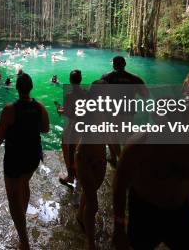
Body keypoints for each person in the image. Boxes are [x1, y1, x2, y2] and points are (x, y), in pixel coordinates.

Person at [112, 131, 189, 250]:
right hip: (145, 213)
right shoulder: (139, 143)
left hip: (179, 211)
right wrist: (119, 227)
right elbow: (119, 184)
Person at [0, 73, 50, 250]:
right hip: (32, 157)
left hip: (15, 159)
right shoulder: (39, 107)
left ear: (17, 88)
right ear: (31, 87)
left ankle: (24, 239)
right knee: (24, 183)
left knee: (13, 197)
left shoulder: (9, 109)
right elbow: (45, 128)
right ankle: (22, 218)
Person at [75, 79, 109, 250]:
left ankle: (81, 216)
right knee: (93, 204)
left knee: (90, 194)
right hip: (85, 158)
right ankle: (90, 243)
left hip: (100, 158)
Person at [101, 56, 149, 166]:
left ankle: (116, 157)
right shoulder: (134, 78)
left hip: (112, 111)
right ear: (125, 64)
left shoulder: (106, 78)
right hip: (128, 111)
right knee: (126, 135)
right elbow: (145, 94)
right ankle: (126, 158)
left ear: (113, 64)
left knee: (111, 134)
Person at [55, 69, 84, 187]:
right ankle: (78, 173)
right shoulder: (86, 93)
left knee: (67, 147)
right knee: (78, 149)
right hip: (84, 125)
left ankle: (71, 176)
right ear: (80, 80)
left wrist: (58, 109)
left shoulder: (69, 95)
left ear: (70, 81)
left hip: (73, 124)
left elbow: (66, 112)